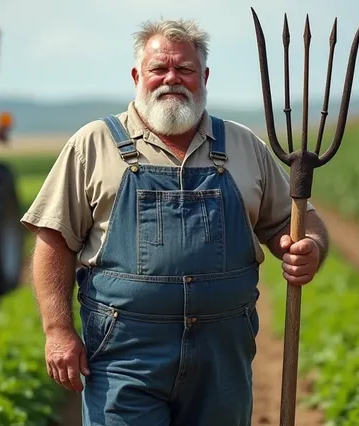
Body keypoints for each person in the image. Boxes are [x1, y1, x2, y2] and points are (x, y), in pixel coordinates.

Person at [21, 17, 330, 426]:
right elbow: (53, 240)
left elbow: (296, 221)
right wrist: (57, 330)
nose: (172, 79)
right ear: (137, 75)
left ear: (204, 76)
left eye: (184, 70)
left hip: (222, 359)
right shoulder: (93, 144)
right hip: (125, 358)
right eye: (159, 69)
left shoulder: (242, 145)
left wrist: (311, 246)